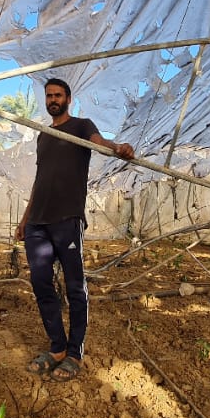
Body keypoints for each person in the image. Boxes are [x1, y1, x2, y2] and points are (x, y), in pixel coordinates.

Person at [15, 77, 134, 381]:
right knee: (40, 282)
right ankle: (57, 347)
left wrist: (117, 147)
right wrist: (25, 219)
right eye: (49, 96)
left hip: (67, 219)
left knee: (74, 286)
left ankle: (74, 353)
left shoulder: (81, 125)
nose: (53, 100)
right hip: (38, 222)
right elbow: (40, 180)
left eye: (58, 95)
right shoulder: (44, 136)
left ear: (68, 99)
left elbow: (99, 143)